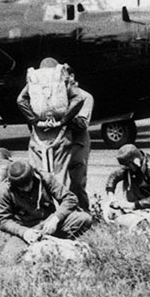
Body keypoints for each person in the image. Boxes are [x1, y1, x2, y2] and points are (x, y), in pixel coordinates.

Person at [16, 58, 93, 211]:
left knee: (77, 183)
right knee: (50, 179)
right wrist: (41, 123)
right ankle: (56, 211)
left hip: (78, 145)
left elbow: (82, 124)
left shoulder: (85, 97)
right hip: (59, 139)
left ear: (71, 77)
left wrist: (62, 121)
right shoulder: (39, 93)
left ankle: (83, 211)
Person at [0, 160, 92, 262]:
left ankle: (58, 242)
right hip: (27, 230)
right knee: (8, 257)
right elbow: (3, 220)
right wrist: (24, 232)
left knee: (84, 219)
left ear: (33, 177)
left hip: (50, 224)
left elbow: (70, 199)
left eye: (28, 184)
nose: (26, 189)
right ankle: (44, 247)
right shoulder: (4, 190)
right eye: (21, 187)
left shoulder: (45, 178)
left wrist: (56, 218)